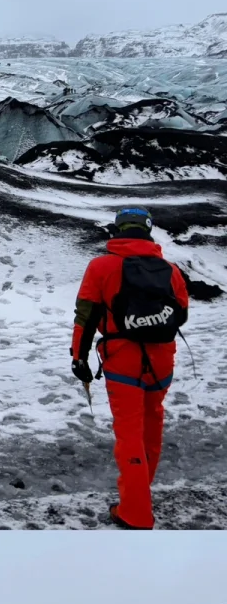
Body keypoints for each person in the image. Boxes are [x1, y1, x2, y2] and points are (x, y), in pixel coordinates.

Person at [71, 207, 189, 530]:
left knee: (129, 435)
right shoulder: (170, 270)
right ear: (147, 232)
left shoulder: (100, 267)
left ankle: (135, 513)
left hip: (123, 363)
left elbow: (86, 317)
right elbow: (182, 313)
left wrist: (78, 359)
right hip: (162, 362)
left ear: (117, 231)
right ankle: (141, 492)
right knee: (152, 424)